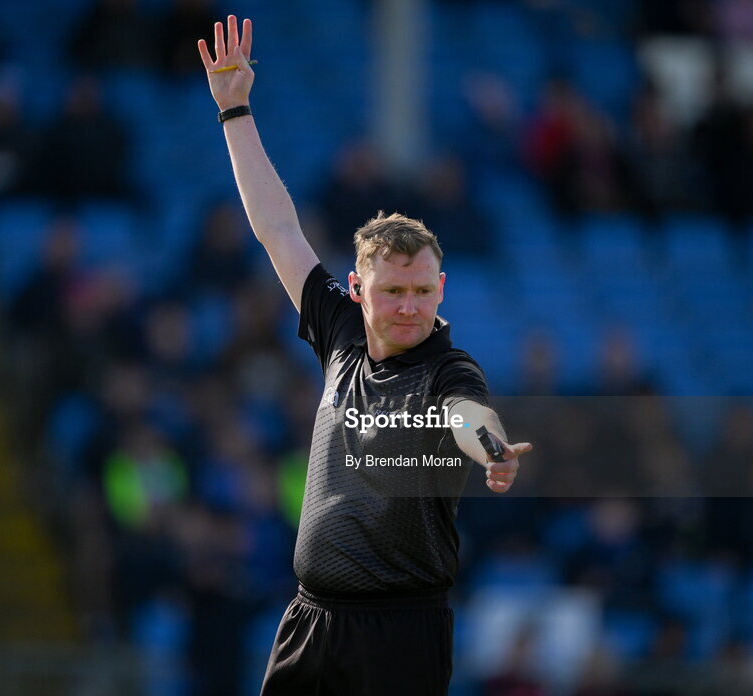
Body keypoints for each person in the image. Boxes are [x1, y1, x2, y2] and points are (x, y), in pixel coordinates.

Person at [197, 16, 533, 695]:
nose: (408, 306)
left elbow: (469, 414)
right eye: (391, 291)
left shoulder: (448, 368)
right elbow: (279, 229)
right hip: (310, 621)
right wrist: (235, 111)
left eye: (420, 291)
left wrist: (491, 450)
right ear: (358, 290)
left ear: (441, 289)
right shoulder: (343, 336)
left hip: (402, 634)